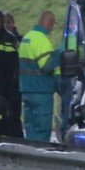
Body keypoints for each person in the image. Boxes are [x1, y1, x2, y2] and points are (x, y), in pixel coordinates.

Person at [18, 10, 61, 143]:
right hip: (41, 93)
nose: (52, 28)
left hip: (27, 91)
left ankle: (29, 155)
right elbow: (46, 65)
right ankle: (39, 158)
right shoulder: (41, 39)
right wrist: (59, 54)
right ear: (49, 22)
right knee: (42, 130)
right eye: (53, 24)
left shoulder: (27, 37)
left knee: (31, 128)